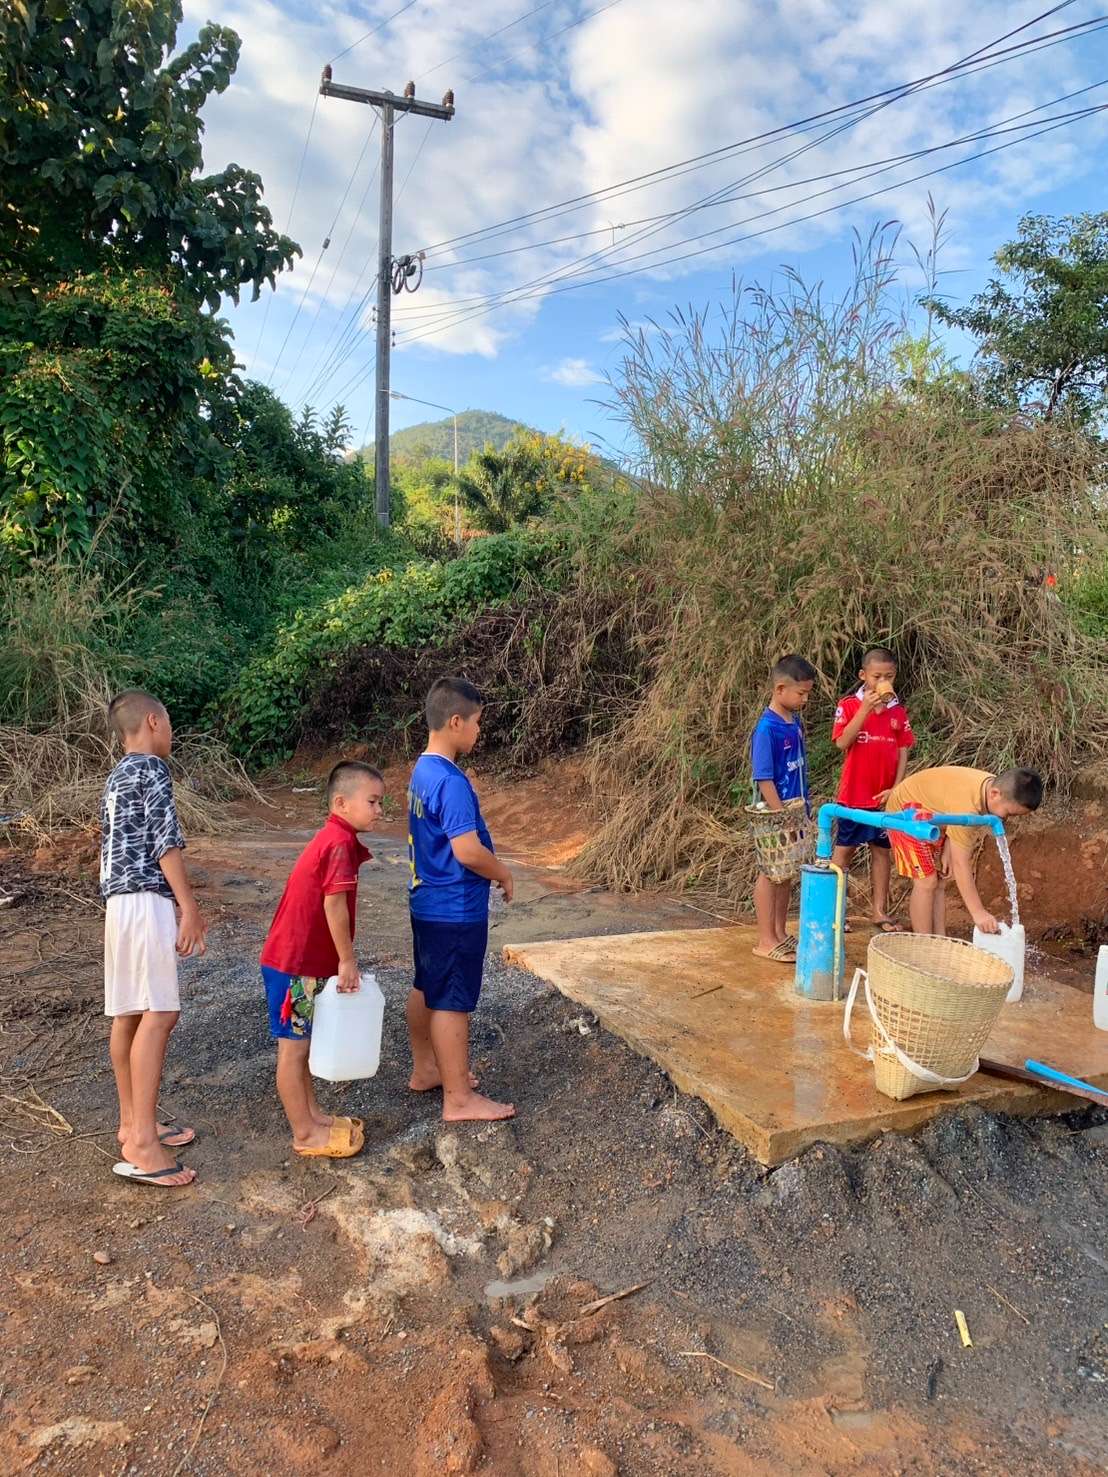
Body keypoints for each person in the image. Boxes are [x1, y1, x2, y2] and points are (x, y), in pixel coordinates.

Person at [102, 690, 207, 1189]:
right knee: (160, 1013)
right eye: (168, 722)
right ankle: (143, 1140)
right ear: (151, 722)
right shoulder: (151, 770)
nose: (171, 732)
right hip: (146, 899)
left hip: (118, 905)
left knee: (129, 1012)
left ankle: (131, 1122)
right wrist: (188, 905)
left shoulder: (117, 776)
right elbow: (164, 841)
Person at [260, 760, 384, 1158]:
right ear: (341, 802)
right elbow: (334, 905)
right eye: (373, 801)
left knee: (303, 1043)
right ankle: (303, 1133)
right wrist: (347, 960)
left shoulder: (337, 838)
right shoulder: (337, 845)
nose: (379, 810)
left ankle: (313, 1116)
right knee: (293, 1050)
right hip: (294, 963)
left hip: (302, 962)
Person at [405, 677, 516, 1122]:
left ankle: (427, 1068)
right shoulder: (450, 781)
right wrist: (503, 872)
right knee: (452, 999)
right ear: (455, 722)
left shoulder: (422, 770)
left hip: (426, 902)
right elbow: (466, 850)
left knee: (426, 984)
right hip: (454, 909)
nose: (478, 732)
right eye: (475, 723)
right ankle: (459, 1099)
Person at [884, 766, 1043, 936]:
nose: (1005, 819)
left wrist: (948, 848)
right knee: (926, 882)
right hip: (904, 815)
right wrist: (978, 912)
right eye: (1009, 813)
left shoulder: (992, 789)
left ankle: (939, 938)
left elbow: (948, 807)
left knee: (940, 881)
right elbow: (961, 864)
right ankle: (924, 942)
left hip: (934, 816)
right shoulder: (968, 806)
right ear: (994, 794)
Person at [831, 647, 915, 933]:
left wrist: (896, 788)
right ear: (863, 676)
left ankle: (879, 910)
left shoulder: (897, 711)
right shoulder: (850, 705)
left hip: (884, 797)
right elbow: (842, 742)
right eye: (877, 676)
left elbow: (903, 749)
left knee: (882, 852)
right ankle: (836, 912)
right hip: (854, 796)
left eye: (889, 676)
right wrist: (865, 709)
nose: (883, 681)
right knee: (844, 853)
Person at [750, 655, 816, 963]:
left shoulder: (795, 723)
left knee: (786, 872)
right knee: (770, 872)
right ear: (780, 689)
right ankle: (765, 939)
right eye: (801, 694)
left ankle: (778, 931)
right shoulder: (767, 729)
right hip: (776, 816)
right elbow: (764, 777)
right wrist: (781, 818)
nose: (805, 699)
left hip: (796, 810)